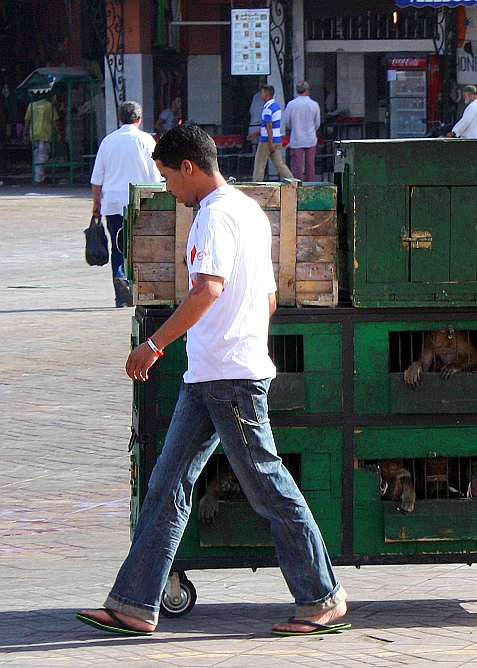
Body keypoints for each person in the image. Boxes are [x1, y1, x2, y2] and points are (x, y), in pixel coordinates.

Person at [77, 124, 349, 638]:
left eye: (166, 177)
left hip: (229, 376)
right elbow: (267, 298)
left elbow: (207, 290)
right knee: (167, 486)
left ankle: (321, 597)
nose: (168, 190)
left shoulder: (212, 217)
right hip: (212, 373)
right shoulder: (247, 210)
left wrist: (153, 344)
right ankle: (135, 604)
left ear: (188, 168)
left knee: (267, 484)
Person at [90, 101, 160, 308]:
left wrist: (96, 204)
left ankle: (121, 291)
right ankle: (137, 290)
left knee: (118, 247)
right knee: (139, 247)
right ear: (139, 119)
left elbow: (97, 179)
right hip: (140, 201)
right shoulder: (147, 141)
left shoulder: (108, 141)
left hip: (112, 202)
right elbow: (156, 177)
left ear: (120, 119)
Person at [248, 85, 294, 182]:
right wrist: (256, 133)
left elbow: (269, 126)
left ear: (267, 94)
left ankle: (257, 184)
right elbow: (269, 125)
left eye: (263, 93)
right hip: (277, 138)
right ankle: (292, 181)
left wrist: (270, 142)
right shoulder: (276, 106)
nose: (261, 95)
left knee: (259, 164)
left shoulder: (267, 108)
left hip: (267, 140)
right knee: (280, 164)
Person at [284, 81, 322, 181]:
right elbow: (317, 123)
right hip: (310, 138)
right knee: (310, 164)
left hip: (297, 138)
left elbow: (287, 122)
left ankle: (298, 186)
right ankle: (311, 185)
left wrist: (295, 128)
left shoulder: (291, 104)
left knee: (298, 166)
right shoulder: (314, 104)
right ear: (307, 90)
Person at [24, 95, 58, 184]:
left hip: (34, 134)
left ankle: (37, 177)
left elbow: (27, 121)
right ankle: (39, 179)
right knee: (43, 156)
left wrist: (25, 134)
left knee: (36, 156)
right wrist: (58, 133)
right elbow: (54, 122)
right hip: (45, 134)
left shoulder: (31, 105)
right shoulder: (49, 105)